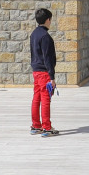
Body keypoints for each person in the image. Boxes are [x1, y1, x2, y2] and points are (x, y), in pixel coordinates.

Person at [30, 8, 57, 137]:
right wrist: (52, 77)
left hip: (36, 71)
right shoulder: (46, 37)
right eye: (50, 20)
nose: (50, 22)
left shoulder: (34, 34)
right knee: (46, 99)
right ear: (47, 20)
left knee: (37, 97)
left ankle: (36, 125)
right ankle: (47, 127)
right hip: (44, 72)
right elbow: (47, 58)